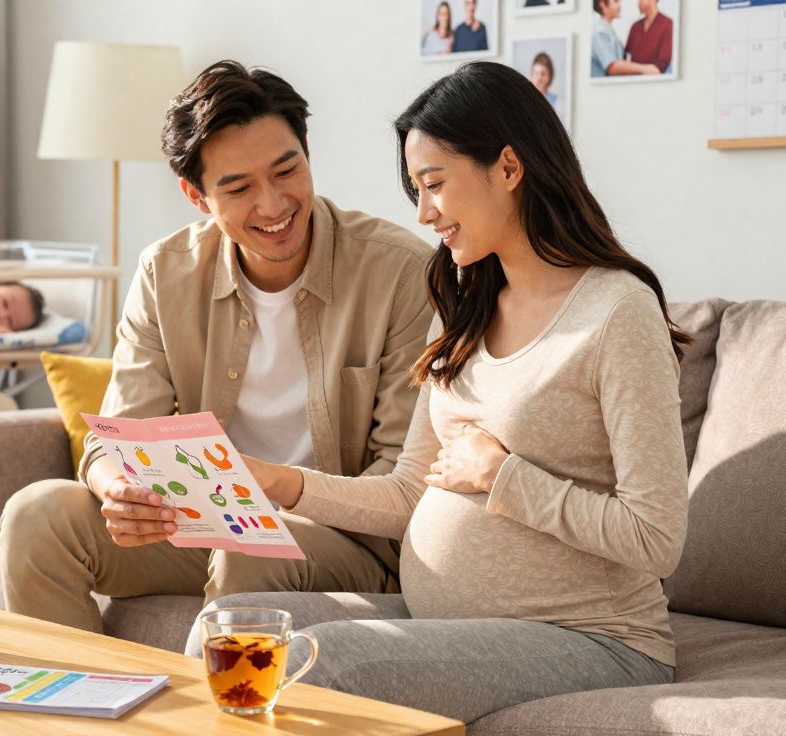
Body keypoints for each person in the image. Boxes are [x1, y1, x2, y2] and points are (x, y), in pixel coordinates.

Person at [197, 61, 692, 723]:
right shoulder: (465, 303)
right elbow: (409, 493)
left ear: (509, 168)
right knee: (225, 629)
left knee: (326, 662)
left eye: (434, 185)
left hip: (595, 637)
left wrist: (505, 476)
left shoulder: (615, 312)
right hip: (455, 621)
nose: (425, 213)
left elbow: (657, 538)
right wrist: (278, 482)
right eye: (416, 191)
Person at [0, 61, 434, 633]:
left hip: (343, 542)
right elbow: (114, 440)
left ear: (308, 156)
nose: (274, 205)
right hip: (204, 523)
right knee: (35, 515)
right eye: (239, 187)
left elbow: (403, 480)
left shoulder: (402, 272)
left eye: (287, 171)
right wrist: (120, 493)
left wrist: (272, 499)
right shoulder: (165, 271)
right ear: (196, 196)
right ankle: (78, 712)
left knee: (250, 547)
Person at [592, 0, 661, 77]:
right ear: (602, 4)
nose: (620, 6)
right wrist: (645, 69)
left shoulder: (609, 30)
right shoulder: (600, 32)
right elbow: (612, 67)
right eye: (616, 1)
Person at [624, 0, 674, 74]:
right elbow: (626, 56)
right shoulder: (635, 27)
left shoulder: (667, 24)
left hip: (655, 80)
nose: (639, 3)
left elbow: (663, 61)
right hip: (633, 79)